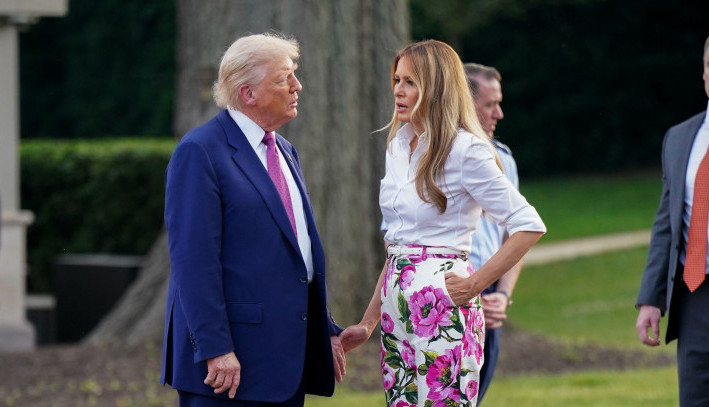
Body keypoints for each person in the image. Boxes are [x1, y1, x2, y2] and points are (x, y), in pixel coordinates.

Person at [340, 39, 545, 406]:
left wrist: (473, 286)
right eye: (397, 80)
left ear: (436, 87)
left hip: (444, 310)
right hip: (396, 313)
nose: (398, 90)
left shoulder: (466, 150)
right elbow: (398, 247)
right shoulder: (398, 147)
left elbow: (528, 225)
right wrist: (368, 323)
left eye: (410, 82)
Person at [161, 32, 345, 407]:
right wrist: (215, 349)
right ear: (248, 93)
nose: (297, 86)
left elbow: (296, 252)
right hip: (227, 369)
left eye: (294, 75)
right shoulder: (200, 151)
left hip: (285, 362)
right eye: (284, 78)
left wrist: (324, 329)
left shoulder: (285, 150)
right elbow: (193, 262)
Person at [635, 35, 709, 407]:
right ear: (704, 73)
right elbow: (666, 224)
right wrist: (651, 299)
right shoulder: (679, 138)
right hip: (694, 294)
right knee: (695, 397)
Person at [463, 63, 523, 403]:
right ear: (463, 101)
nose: (499, 113)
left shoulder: (503, 161)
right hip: (447, 294)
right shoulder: (427, 156)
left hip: (489, 298)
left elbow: (517, 237)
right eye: (490, 104)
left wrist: (502, 295)